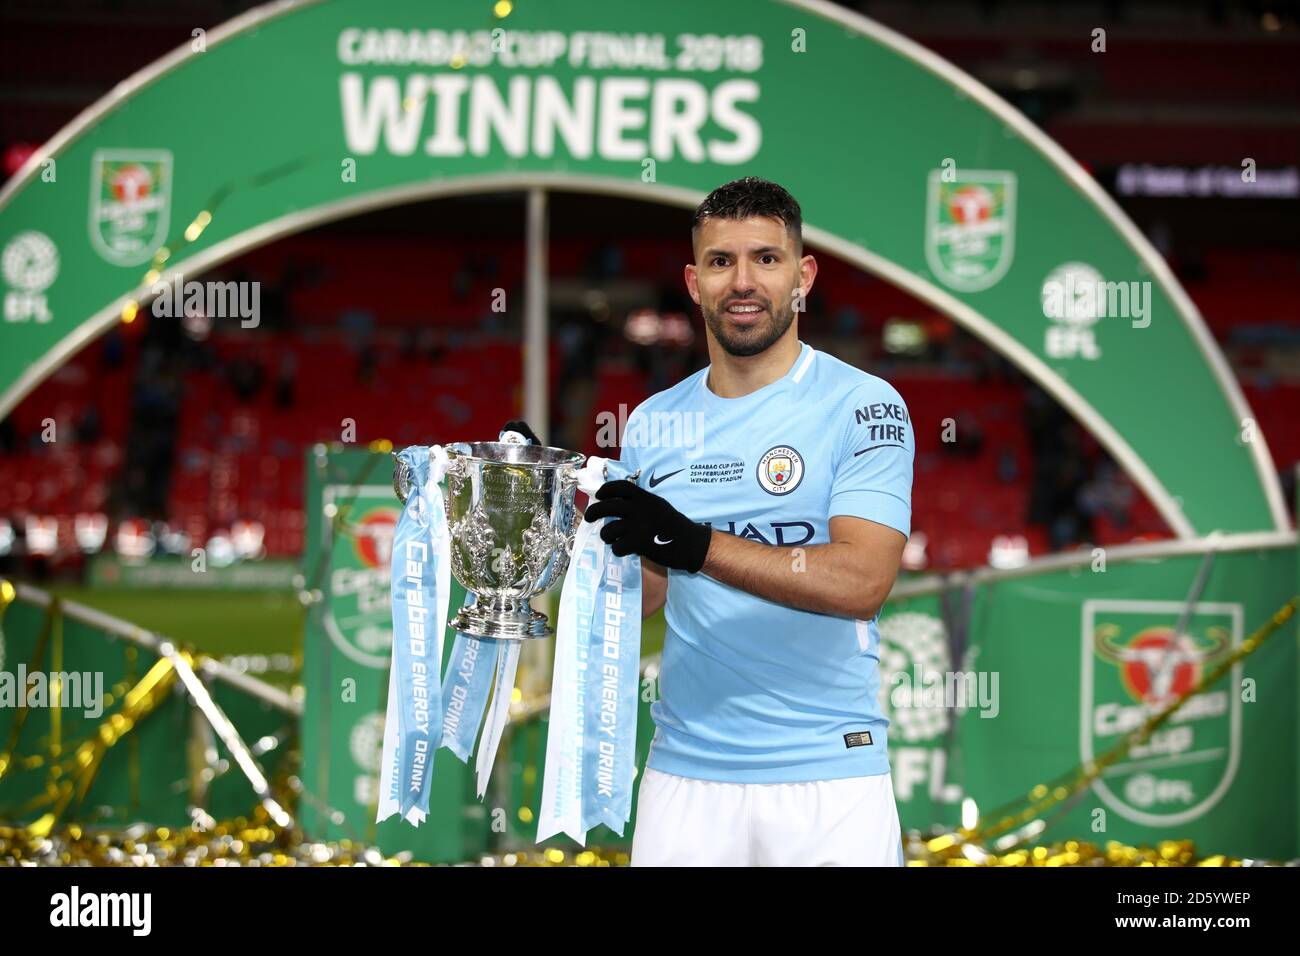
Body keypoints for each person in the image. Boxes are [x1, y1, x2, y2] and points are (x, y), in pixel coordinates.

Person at [510, 177, 914, 866]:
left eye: (767, 258)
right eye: (722, 262)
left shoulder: (865, 405)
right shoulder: (655, 422)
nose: (744, 281)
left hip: (829, 774)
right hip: (686, 776)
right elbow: (651, 591)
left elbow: (861, 581)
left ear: (803, 275)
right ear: (695, 283)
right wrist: (560, 532)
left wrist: (695, 544)